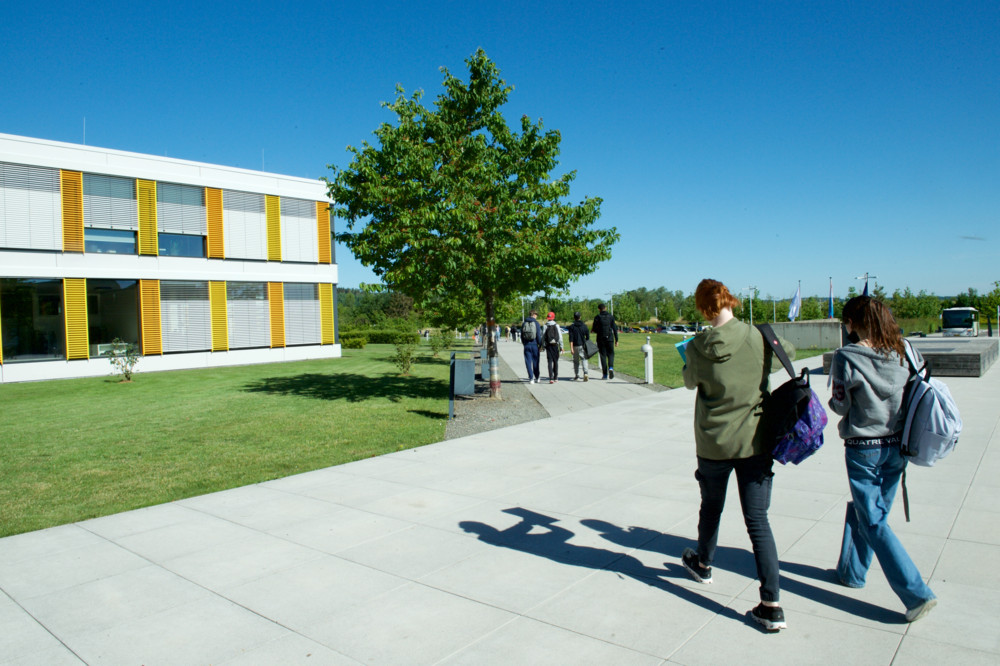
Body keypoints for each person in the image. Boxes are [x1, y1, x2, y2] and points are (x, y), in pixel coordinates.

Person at [681, 278, 793, 631]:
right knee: (758, 522)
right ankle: (771, 604)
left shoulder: (698, 346)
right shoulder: (759, 337)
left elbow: (688, 380)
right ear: (730, 299)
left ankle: (703, 563)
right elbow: (785, 353)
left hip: (713, 443)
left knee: (711, 506)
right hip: (755, 442)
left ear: (703, 307)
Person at [829, 295, 937, 623]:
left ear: (854, 322)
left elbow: (840, 405)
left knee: (873, 520)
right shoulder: (905, 350)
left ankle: (916, 594)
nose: (845, 328)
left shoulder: (846, 356)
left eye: (846, 322)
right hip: (898, 446)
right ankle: (852, 572)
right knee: (871, 512)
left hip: (864, 447)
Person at [591, 303, 618, 379]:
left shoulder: (597, 317)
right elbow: (614, 328)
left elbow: (594, 329)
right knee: (611, 354)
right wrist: (617, 339)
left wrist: (597, 330)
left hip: (600, 338)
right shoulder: (611, 317)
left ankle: (605, 375)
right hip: (610, 338)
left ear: (599, 309)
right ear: (605, 308)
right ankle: (611, 368)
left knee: (603, 355)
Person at [567, 311, 591, 381]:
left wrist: (571, 348)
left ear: (574, 318)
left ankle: (577, 375)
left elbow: (571, 338)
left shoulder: (572, 327)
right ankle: (585, 372)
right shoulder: (584, 326)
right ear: (580, 317)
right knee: (584, 359)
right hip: (582, 345)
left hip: (575, 345)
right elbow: (588, 337)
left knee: (576, 361)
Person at [521, 310, 543, 383]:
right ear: (534, 315)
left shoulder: (524, 323)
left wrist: (524, 343)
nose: (537, 316)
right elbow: (538, 336)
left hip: (527, 345)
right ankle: (537, 377)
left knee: (528, 361)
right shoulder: (536, 323)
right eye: (536, 315)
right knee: (536, 361)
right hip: (534, 345)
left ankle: (531, 378)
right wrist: (540, 345)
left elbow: (522, 335)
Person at [542, 311, 563, 383]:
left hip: (548, 345)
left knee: (549, 361)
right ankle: (556, 377)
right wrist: (561, 346)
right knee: (555, 361)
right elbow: (560, 337)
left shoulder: (545, 326)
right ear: (554, 317)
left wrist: (542, 346)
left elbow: (543, 337)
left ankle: (550, 377)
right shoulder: (557, 325)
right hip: (555, 345)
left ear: (548, 318)